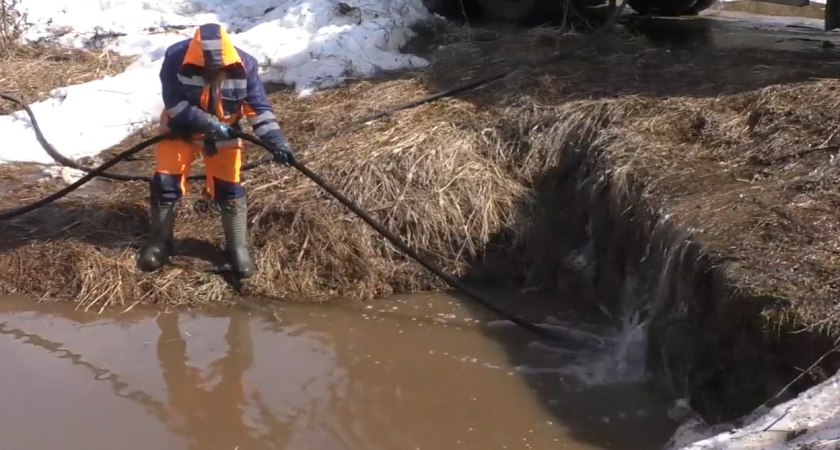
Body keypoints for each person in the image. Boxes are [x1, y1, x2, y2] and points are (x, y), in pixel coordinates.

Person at [136, 23, 294, 279]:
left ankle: (237, 249)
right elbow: (173, 101)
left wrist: (277, 141)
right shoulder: (176, 57)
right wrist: (208, 123)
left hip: (226, 132)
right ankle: (160, 243)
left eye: (217, 68)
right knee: (165, 182)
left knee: (229, 187)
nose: (213, 72)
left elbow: (258, 107)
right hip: (180, 130)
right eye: (206, 68)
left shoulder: (246, 65)